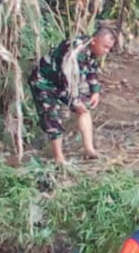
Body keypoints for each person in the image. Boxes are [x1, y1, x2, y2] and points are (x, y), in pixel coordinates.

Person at [28, 27, 115, 164]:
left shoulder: (90, 51)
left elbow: (91, 69)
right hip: (44, 82)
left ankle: (89, 150)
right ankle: (59, 159)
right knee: (51, 117)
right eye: (105, 47)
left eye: (109, 48)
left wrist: (95, 91)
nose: (106, 51)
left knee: (85, 109)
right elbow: (66, 78)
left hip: (62, 84)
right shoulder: (74, 51)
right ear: (94, 41)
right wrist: (74, 101)